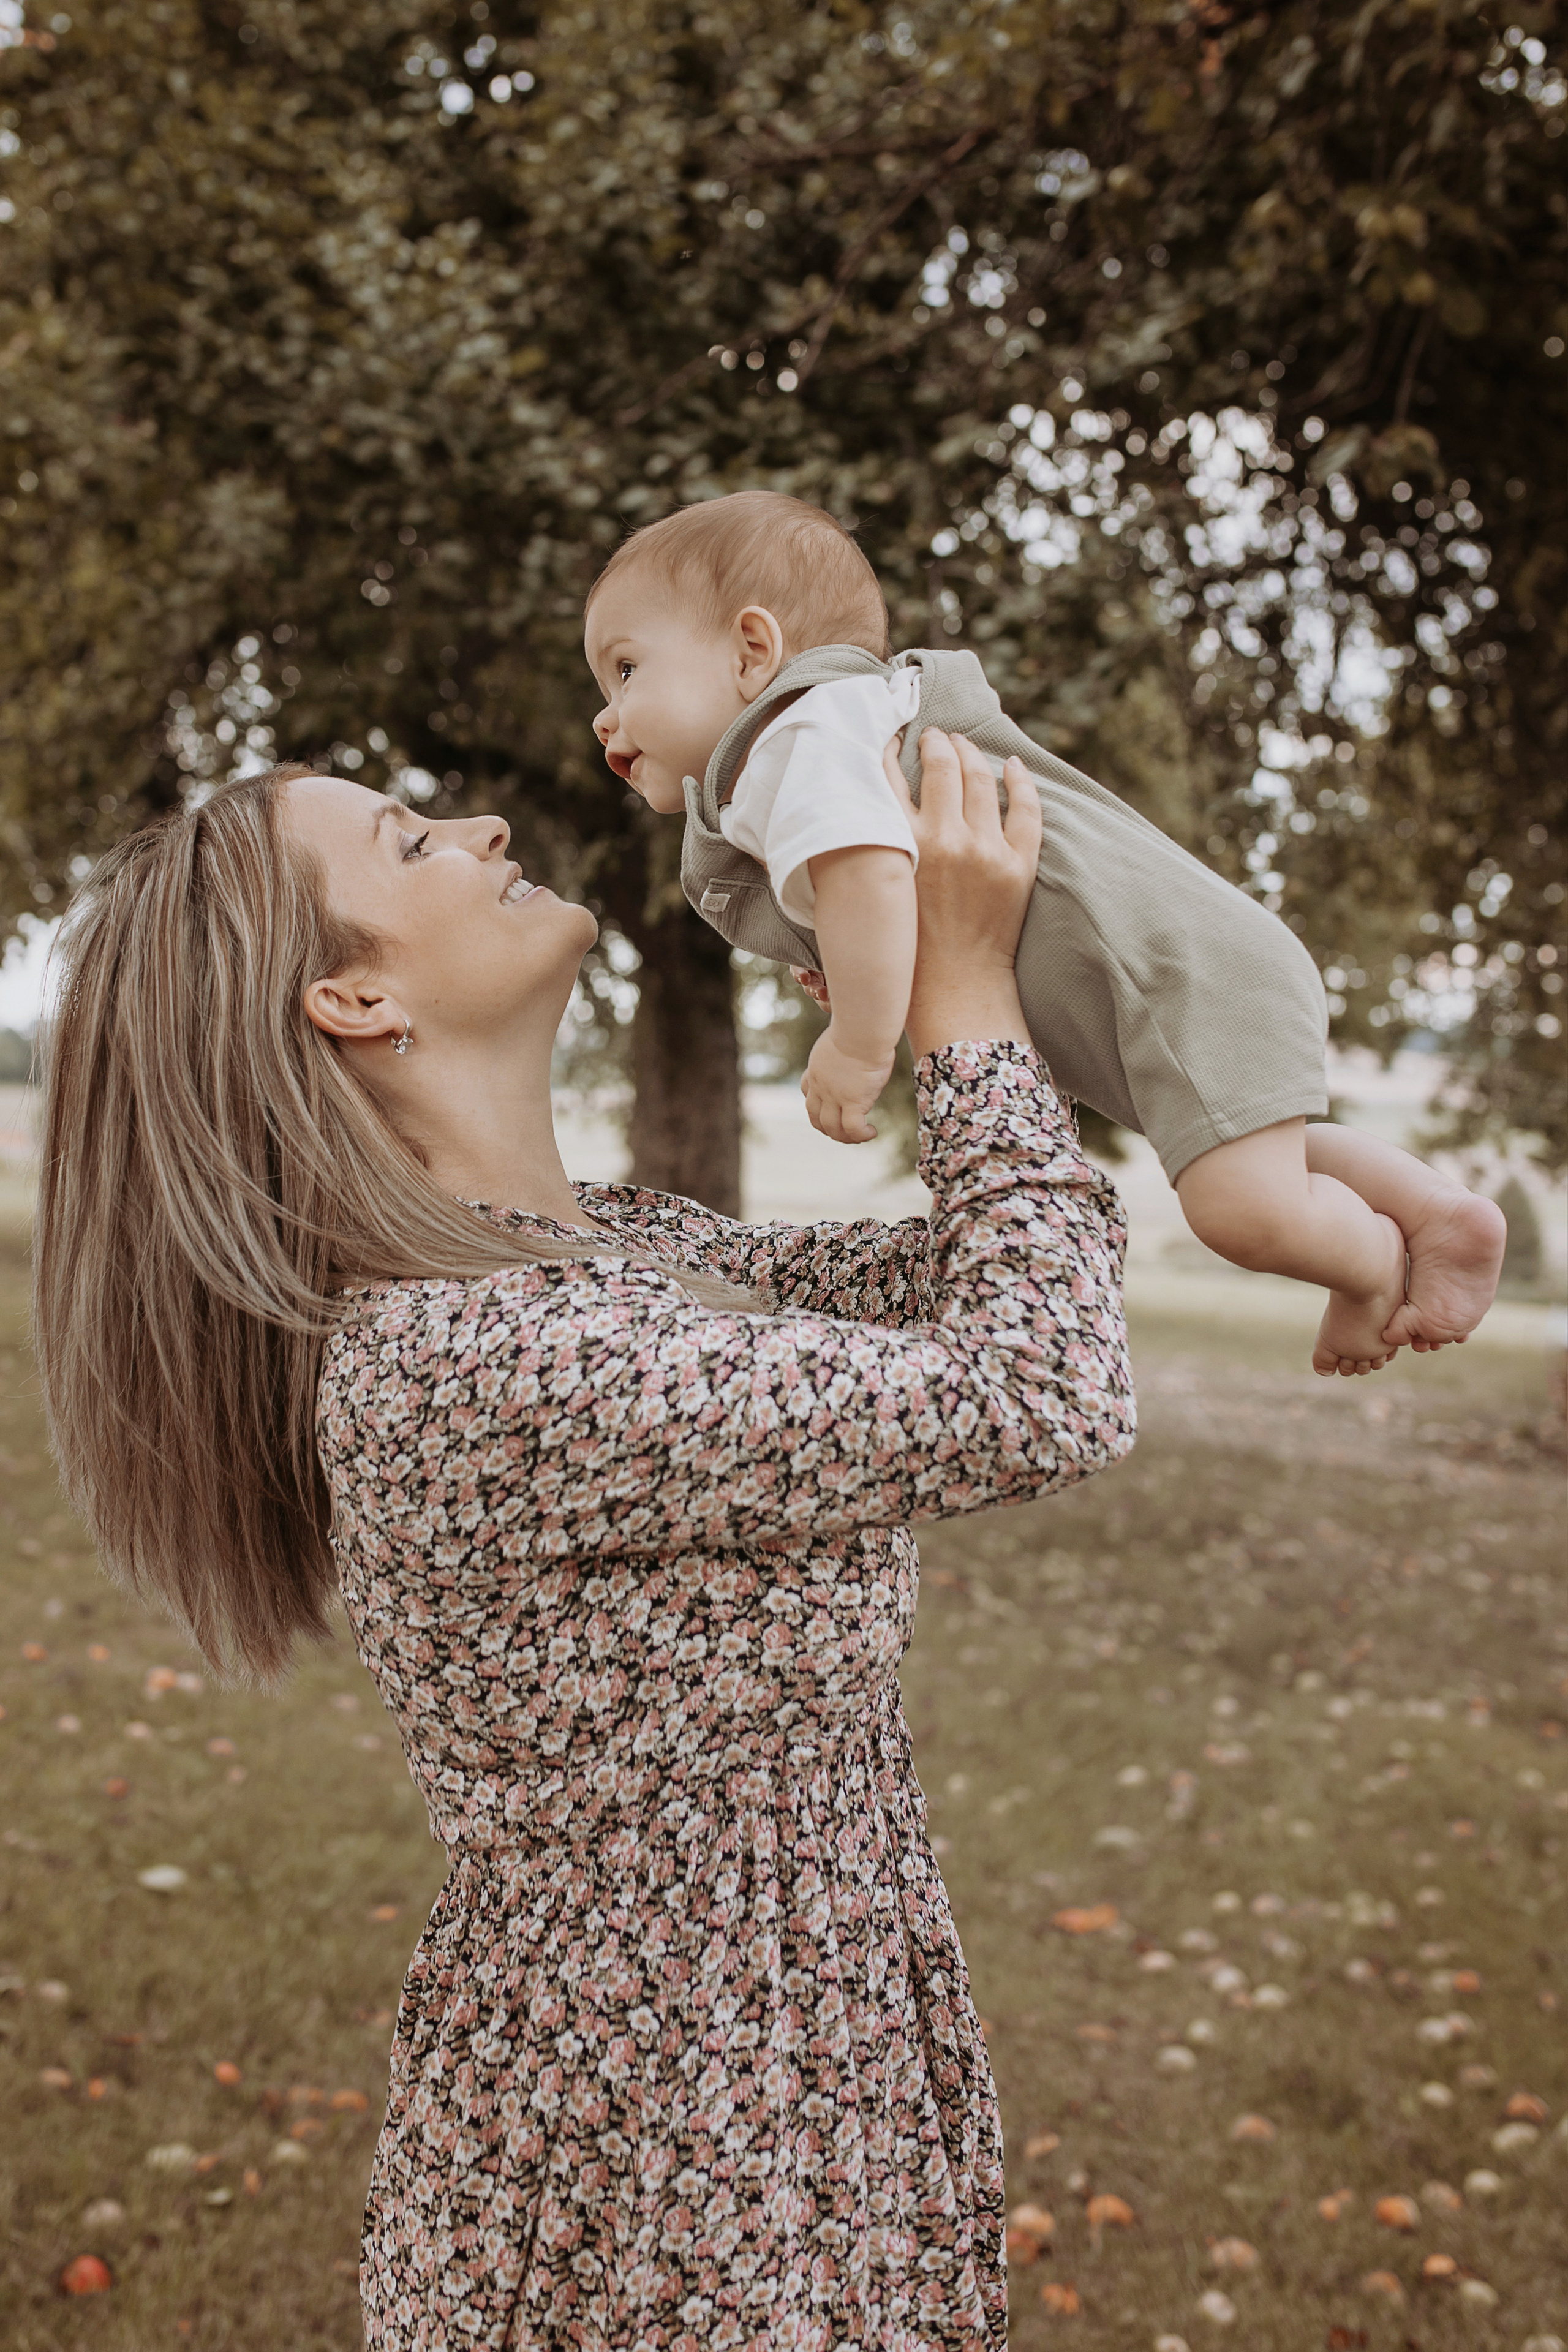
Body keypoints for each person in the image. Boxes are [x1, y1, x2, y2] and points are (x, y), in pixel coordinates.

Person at [34, 733, 1134, 2351]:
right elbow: (1044, 1389)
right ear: (353, 999)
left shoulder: (615, 1250)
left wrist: (905, 941)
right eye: (413, 844)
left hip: (809, 2030)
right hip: (664, 2124)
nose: (484, 826)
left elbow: (1034, 1250)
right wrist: (957, 1000)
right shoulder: (469, 1362)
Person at [583, 490, 1507, 1381]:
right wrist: (852, 953)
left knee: (1238, 1211)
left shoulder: (796, 727)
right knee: (1232, 1145)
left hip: (1168, 973)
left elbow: (866, 871)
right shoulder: (837, 733)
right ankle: (1430, 1210)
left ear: (754, 649)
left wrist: (858, 1040)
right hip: (1182, 969)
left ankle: (1374, 1264)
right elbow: (884, 891)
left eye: (627, 669)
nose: (605, 714)